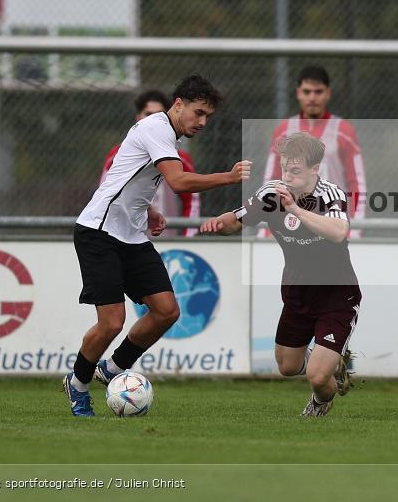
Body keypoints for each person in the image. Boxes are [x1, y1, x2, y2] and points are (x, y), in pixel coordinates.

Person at [65, 74, 251, 417]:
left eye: (208, 116)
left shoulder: (165, 134)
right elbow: (178, 183)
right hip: (99, 233)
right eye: (198, 113)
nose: (202, 122)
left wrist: (147, 209)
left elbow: (123, 175)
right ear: (178, 104)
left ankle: (112, 369)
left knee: (167, 311)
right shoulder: (157, 128)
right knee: (111, 322)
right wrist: (228, 176)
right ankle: (77, 384)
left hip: (132, 234)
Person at [202, 132, 358, 417]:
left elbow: (339, 232)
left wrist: (295, 209)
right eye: (284, 167)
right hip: (298, 295)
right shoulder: (270, 193)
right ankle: (331, 362)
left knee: (318, 378)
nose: (287, 175)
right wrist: (217, 223)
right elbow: (235, 221)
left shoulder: (330, 194)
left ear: (315, 169)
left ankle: (322, 399)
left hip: (336, 296)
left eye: (295, 170)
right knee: (287, 367)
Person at [262, 66, 366, 226]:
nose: (312, 98)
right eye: (306, 91)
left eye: (318, 92)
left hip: (331, 223)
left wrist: (355, 227)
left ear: (328, 93)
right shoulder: (284, 132)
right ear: (298, 93)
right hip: (291, 225)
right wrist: (268, 227)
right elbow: (271, 182)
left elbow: (357, 183)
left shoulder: (344, 131)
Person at [102, 90, 200, 237]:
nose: (154, 119)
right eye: (148, 114)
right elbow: (106, 194)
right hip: (122, 237)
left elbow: (191, 200)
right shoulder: (117, 154)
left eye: (159, 114)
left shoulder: (180, 158)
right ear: (137, 118)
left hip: (166, 239)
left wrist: (189, 237)